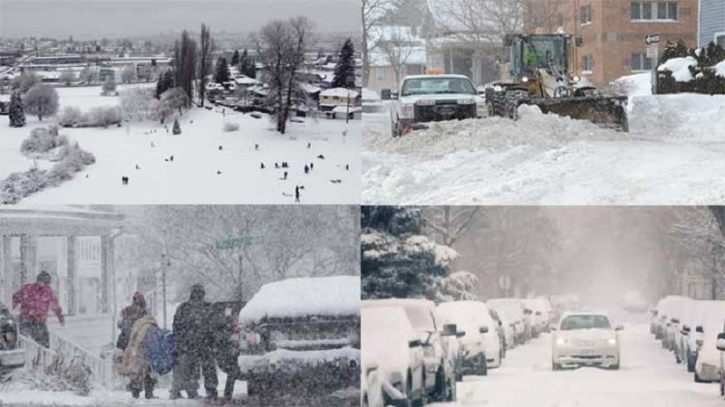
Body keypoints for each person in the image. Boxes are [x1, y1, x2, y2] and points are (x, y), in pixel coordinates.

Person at [171, 284, 218, 400]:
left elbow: (176, 326)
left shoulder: (183, 308)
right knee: (208, 369)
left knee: (191, 369)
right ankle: (210, 391)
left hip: (190, 344)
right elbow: (214, 326)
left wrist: (181, 342)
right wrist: (213, 342)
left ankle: (192, 391)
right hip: (204, 343)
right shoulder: (208, 307)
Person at [12, 271, 64, 348]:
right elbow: (15, 298)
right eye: (44, 283)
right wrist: (14, 308)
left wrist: (61, 318)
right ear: (38, 280)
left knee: (44, 344)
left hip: (39, 321)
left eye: (47, 283)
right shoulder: (27, 288)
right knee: (25, 341)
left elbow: (55, 306)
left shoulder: (48, 292)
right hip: (27, 320)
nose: (45, 285)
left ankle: (40, 356)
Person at [119, 313, 158, 399]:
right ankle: (148, 392)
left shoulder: (138, 323)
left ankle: (135, 392)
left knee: (137, 372)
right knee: (148, 371)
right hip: (144, 350)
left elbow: (132, 336)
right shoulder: (150, 325)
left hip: (135, 350)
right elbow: (150, 339)